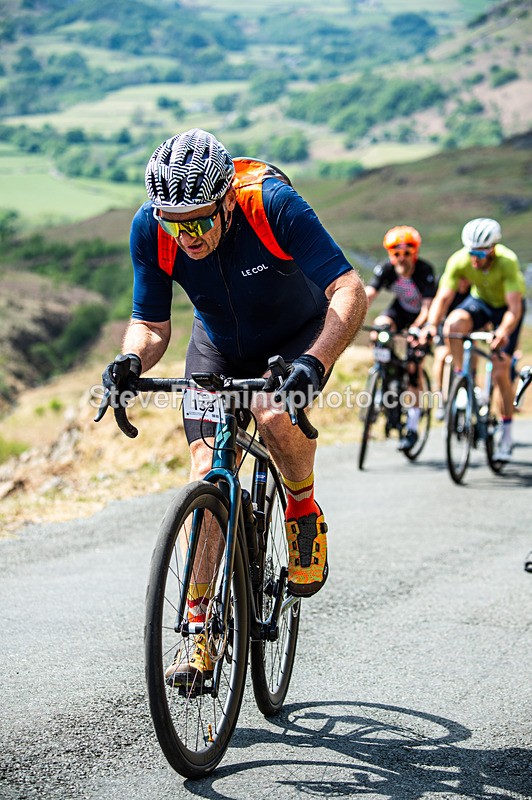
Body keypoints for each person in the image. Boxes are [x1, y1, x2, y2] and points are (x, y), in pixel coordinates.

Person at [98, 128, 367, 683]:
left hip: (296, 338)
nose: (187, 235)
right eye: (175, 222)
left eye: (197, 220)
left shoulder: (272, 204)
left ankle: (300, 511)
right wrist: (131, 360)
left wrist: (315, 362)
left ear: (225, 200)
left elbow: (348, 290)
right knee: (207, 474)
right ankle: (199, 632)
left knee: (271, 412)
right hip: (217, 345)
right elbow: (150, 324)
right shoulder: (154, 228)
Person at [422, 217, 525, 461]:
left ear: (493, 249)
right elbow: (443, 298)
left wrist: (503, 332)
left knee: (500, 371)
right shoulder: (459, 260)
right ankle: (464, 380)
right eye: (471, 252)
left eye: (479, 253)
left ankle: (507, 434)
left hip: (506, 311)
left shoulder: (507, 262)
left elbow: (514, 308)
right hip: (480, 303)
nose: (474, 258)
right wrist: (430, 325)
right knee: (452, 325)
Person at [365, 225, 436, 451]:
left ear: (415, 253)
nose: (402, 258)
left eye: (407, 253)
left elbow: (427, 308)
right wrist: (353, 315)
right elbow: (369, 295)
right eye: (397, 253)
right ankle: (386, 377)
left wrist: (417, 328)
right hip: (400, 311)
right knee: (380, 328)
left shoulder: (424, 270)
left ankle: (413, 425)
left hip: (421, 316)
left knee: (414, 366)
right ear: (390, 254)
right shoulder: (386, 269)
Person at [431, 276, 470, 420]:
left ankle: (471, 384)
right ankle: (441, 396)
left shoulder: (473, 291)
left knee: (472, 354)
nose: (463, 282)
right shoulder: (447, 287)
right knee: (441, 356)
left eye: (466, 279)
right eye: (461, 279)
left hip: (466, 330)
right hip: (446, 328)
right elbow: (439, 306)